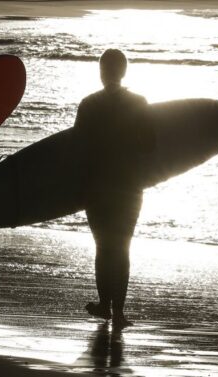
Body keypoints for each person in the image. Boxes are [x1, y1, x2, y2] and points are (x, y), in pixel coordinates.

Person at [73, 49, 154, 329]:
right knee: (122, 247)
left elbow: (77, 148)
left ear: (101, 72)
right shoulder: (139, 103)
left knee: (103, 247)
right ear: (124, 72)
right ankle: (117, 311)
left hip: (96, 186)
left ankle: (104, 305)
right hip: (129, 187)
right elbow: (151, 147)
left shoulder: (88, 105)